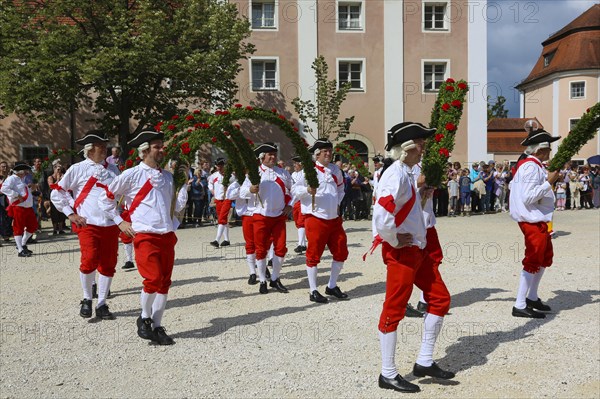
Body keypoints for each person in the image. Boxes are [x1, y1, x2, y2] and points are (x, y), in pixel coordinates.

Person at [372, 122, 454, 394]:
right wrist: (394, 238)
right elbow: (381, 215)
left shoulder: (406, 173)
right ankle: (388, 373)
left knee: (440, 298)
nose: (424, 148)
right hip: (402, 252)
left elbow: (405, 210)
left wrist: (421, 196)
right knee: (394, 308)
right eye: (420, 143)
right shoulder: (394, 174)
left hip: (416, 248)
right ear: (406, 148)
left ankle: (425, 361)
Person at [98, 128, 188, 345]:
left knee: (165, 283)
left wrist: (183, 185)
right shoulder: (131, 174)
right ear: (145, 150)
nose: (161, 150)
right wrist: (120, 221)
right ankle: (144, 317)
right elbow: (106, 198)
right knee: (153, 279)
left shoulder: (167, 176)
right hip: (145, 235)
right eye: (157, 147)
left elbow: (176, 206)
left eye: (161, 146)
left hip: (167, 235)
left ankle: (157, 326)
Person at [50, 131, 121, 320]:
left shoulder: (114, 170)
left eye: (105, 145)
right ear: (90, 149)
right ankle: (87, 299)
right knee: (89, 261)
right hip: (88, 223)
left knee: (108, 264)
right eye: (100, 145)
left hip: (111, 224)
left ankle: (102, 303)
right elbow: (58, 192)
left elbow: (123, 194)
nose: (105, 148)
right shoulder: (77, 168)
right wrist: (70, 214)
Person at [509, 128, 560, 319]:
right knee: (533, 259)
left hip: (537, 218)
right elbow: (529, 196)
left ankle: (531, 296)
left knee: (544, 257)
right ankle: (520, 303)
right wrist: (549, 182)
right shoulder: (530, 166)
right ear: (541, 149)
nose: (551, 152)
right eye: (548, 148)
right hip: (531, 219)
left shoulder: (533, 165)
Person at [292, 139, 349, 303]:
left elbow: (340, 189)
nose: (329, 153)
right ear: (317, 154)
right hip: (316, 217)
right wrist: (307, 190)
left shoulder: (335, 170)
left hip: (334, 218)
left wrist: (337, 204)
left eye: (330, 150)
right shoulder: (308, 171)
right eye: (325, 151)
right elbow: (294, 190)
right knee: (314, 254)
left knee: (341, 250)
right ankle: (313, 290)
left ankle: (331, 285)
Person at [239, 142, 291, 295]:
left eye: (274, 154)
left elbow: (292, 190)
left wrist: (290, 205)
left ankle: (275, 278)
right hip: (260, 215)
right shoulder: (255, 174)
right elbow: (242, 193)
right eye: (270, 154)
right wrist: (250, 189)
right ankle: (262, 279)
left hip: (279, 216)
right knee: (261, 249)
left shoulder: (282, 173)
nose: (273, 157)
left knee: (281, 248)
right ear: (262, 157)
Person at [0, 162, 39, 257]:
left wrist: (31, 190)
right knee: (18, 227)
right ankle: (20, 250)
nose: (27, 172)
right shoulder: (11, 178)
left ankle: (22, 243)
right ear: (19, 171)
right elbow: (3, 189)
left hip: (27, 207)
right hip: (18, 207)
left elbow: (23, 191)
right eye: (25, 170)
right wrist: (16, 195)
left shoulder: (22, 179)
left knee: (33, 226)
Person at [208, 158, 236, 247]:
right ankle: (227, 240)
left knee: (222, 218)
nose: (219, 167)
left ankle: (217, 240)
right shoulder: (214, 175)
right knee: (222, 219)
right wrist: (212, 190)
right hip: (218, 199)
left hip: (227, 198)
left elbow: (236, 185)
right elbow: (210, 183)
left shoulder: (231, 176)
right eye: (218, 166)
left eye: (221, 165)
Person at [290, 155, 307, 254]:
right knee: (297, 222)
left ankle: (301, 244)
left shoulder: (305, 174)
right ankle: (303, 243)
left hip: (302, 199)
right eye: (294, 164)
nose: (294, 165)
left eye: (296, 163)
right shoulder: (293, 175)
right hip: (295, 201)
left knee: (301, 222)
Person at [47, 162, 67, 234]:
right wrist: (58, 179)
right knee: (54, 213)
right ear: (54, 169)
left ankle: (61, 229)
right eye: (58, 169)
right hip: (54, 198)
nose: (59, 171)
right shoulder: (50, 177)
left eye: (60, 169)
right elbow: (51, 186)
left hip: (62, 197)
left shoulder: (63, 176)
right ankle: (55, 229)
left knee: (61, 213)